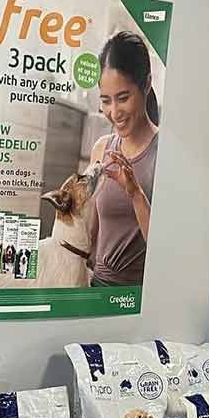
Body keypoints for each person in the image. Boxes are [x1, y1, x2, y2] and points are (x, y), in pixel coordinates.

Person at [88, 30, 158, 287]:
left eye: (123, 98)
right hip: (97, 289)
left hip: (137, 298)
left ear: (146, 85)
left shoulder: (164, 153)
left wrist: (136, 194)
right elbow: (89, 232)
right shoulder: (102, 149)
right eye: (106, 101)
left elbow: (167, 251)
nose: (114, 112)